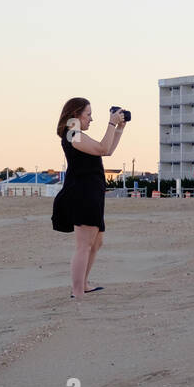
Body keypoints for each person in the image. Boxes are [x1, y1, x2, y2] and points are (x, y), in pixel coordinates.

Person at [52, 98, 126, 298]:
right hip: (82, 194)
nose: (91, 119)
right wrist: (111, 123)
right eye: (88, 114)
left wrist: (119, 127)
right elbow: (102, 148)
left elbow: (107, 150)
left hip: (91, 193)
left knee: (96, 242)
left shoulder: (79, 136)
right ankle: (77, 292)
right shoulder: (72, 134)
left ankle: (83, 285)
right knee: (84, 245)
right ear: (76, 115)